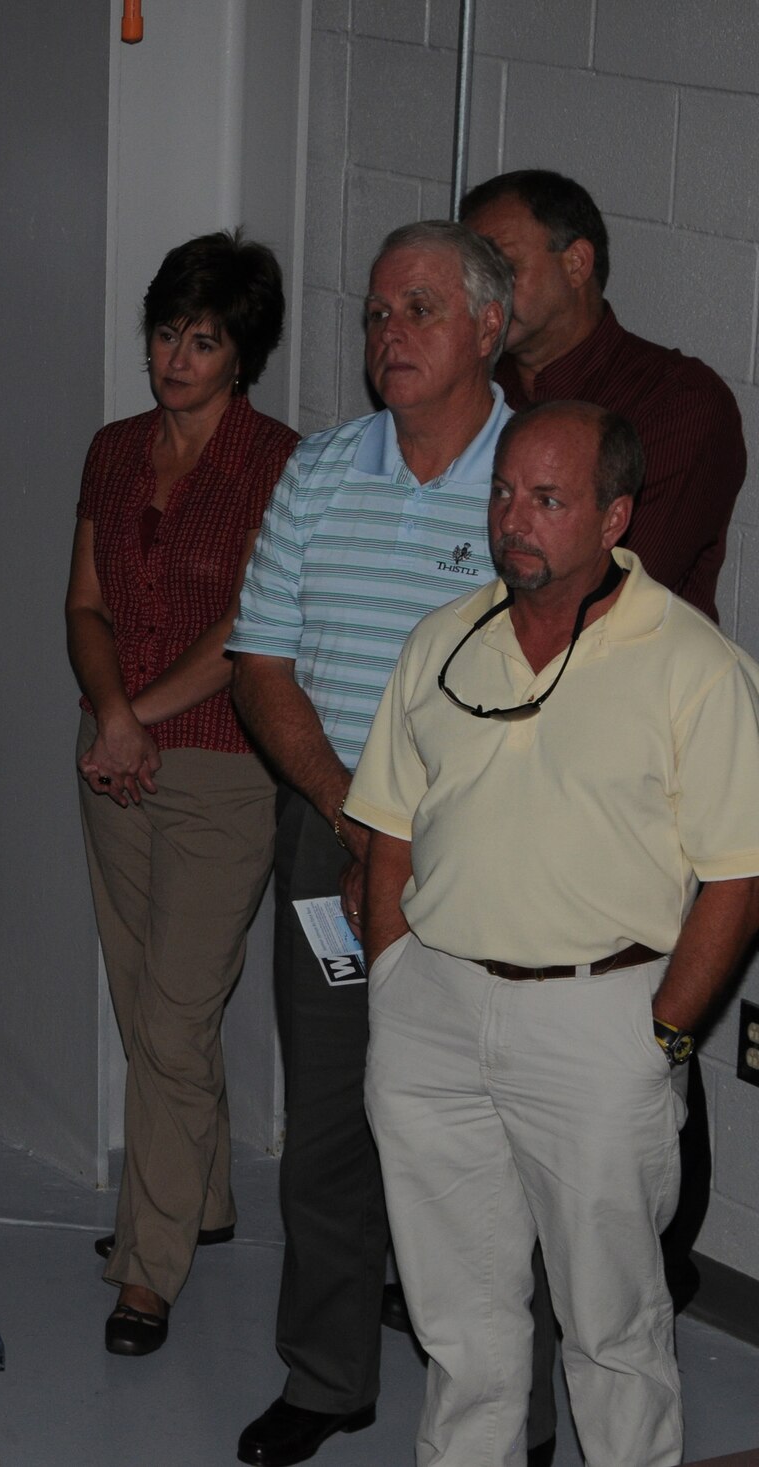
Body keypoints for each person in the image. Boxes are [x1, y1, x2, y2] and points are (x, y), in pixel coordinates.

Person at [347, 401, 759, 1467]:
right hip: (431, 1013)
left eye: (545, 499)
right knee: (459, 1325)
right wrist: (394, 976)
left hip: (600, 1024)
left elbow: (735, 878)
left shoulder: (693, 667)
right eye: (500, 492)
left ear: (613, 514)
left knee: (611, 1330)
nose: (510, 519)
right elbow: (384, 829)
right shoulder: (441, 642)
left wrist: (659, 1039)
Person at [224, 220, 538, 1467]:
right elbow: (258, 664)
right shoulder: (318, 469)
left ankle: (516, 1410)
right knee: (333, 1115)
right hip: (332, 838)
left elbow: (559, 678)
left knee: (497, 1136)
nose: (385, 336)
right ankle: (326, 1372)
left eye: (415, 310)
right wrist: (353, 813)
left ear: (486, 326)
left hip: (485, 854)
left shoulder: (537, 470)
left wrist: (411, 826)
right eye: (370, 315)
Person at [67, 229, 297, 1356]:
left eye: (202, 341)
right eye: (165, 333)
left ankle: (144, 1268)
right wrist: (110, 716)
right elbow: (83, 604)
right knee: (141, 993)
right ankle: (196, 1199)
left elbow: (250, 629)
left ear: (240, 355)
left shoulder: (278, 462)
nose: (175, 357)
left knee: (173, 1012)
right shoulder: (112, 450)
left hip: (217, 761)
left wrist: (131, 715)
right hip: (115, 756)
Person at [460, 169, 746, 620]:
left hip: (624, 677)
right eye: (472, 275)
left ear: (576, 264)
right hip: (476, 657)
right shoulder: (475, 387)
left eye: (502, 269)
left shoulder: (677, 399)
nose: (481, 295)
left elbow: (615, 588)